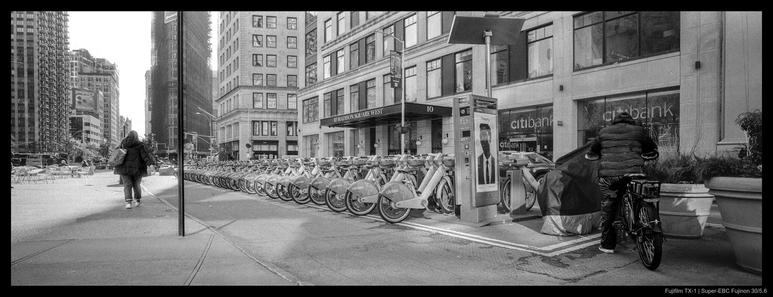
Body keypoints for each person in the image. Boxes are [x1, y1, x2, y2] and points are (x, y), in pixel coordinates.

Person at [587, 112, 658, 254]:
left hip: (610, 176)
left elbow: (593, 151)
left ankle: (607, 245)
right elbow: (652, 149)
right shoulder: (638, 131)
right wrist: (647, 154)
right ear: (630, 121)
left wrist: (595, 154)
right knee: (639, 197)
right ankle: (640, 221)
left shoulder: (604, 132)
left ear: (614, 121)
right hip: (634, 173)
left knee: (609, 208)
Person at [114, 130, 156, 209]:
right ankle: (137, 200)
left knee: (127, 185)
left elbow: (116, 154)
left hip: (124, 169)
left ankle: (128, 202)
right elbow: (145, 156)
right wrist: (150, 164)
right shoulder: (140, 145)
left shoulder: (122, 144)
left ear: (128, 136)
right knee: (136, 185)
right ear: (136, 136)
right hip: (137, 169)